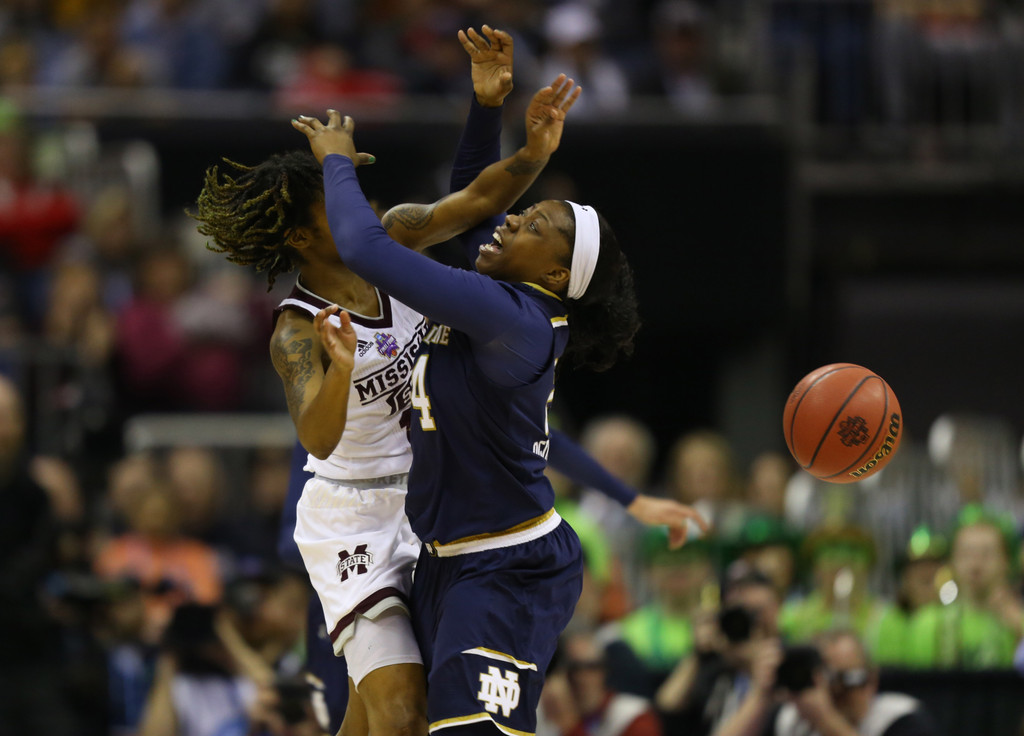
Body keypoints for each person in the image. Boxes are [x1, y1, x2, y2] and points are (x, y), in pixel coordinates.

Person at [202, 25, 704, 736]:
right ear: (308, 238)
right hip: (354, 514)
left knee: (392, 717)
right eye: (340, 204)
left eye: (531, 227)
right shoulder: (296, 328)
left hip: (452, 523)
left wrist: (516, 157)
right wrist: (511, 135)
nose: (368, 205)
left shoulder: (416, 256)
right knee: (398, 711)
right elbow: (316, 433)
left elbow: (455, 212)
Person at [713, 629, 936, 736]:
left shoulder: (897, 718)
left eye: (849, 680)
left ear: (872, 681)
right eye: (828, 680)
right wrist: (759, 697)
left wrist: (826, 720)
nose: (837, 691)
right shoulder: (792, 720)